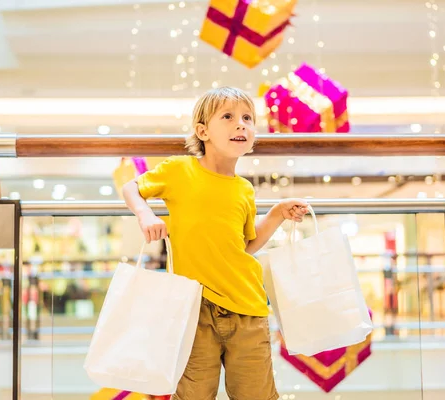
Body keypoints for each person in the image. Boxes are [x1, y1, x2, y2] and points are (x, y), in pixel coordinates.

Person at [123, 86, 309, 400]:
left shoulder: (244, 189)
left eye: (248, 118)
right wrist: (145, 215)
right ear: (202, 131)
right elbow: (132, 187)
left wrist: (277, 213)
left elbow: (246, 246)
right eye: (228, 116)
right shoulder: (179, 171)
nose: (242, 124)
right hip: (194, 310)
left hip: (248, 309)